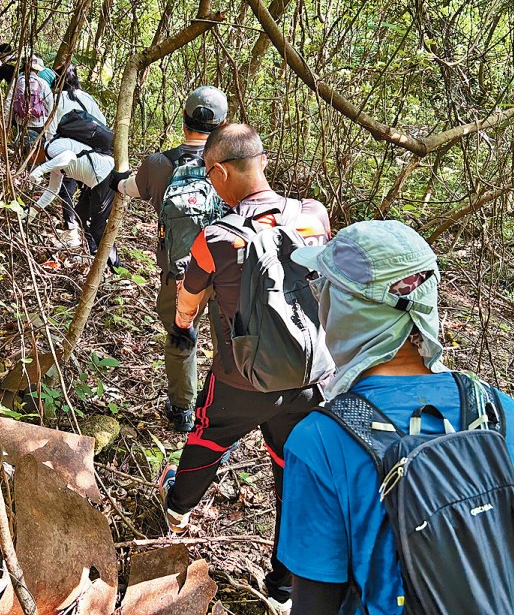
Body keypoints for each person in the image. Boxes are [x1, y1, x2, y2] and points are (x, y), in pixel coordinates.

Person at [278, 220, 514, 615]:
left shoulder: (320, 440)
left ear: (345, 309)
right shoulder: (503, 412)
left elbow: (315, 603)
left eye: (325, 291)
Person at [158, 123, 332, 613]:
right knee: (293, 470)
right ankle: (284, 587)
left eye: (210, 176)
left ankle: (177, 510)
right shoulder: (313, 216)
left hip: (241, 379)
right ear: (263, 162)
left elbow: (188, 300)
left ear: (218, 172)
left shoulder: (215, 237)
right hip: (310, 378)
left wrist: (183, 325)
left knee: (207, 438)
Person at [109, 86, 228, 432]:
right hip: (226, 272)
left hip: (181, 273)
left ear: (183, 120)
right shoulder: (232, 164)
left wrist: (119, 181)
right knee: (226, 343)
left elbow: (128, 189)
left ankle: (181, 410)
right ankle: (221, 410)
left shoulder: (159, 164)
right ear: (222, 126)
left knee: (182, 336)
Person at [28, 137, 119, 267]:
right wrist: (33, 211)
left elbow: (69, 157)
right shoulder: (52, 159)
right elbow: (52, 190)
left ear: (34, 150)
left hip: (105, 175)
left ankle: (115, 267)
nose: (31, 161)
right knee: (81, 214)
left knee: (97, 227)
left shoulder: (52, 147)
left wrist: (40, 170)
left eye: (29, 156)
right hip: (95, 181)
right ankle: (93, 253)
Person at [47, 65, 109, 248]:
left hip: (68, 153)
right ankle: (90, 242)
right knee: (88, 197)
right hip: (92, 156)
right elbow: (102, 123)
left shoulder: (56, 99)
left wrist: (51, 152)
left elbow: (50, 130)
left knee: (66, 190)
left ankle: (72, 231)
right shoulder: (86, 98)